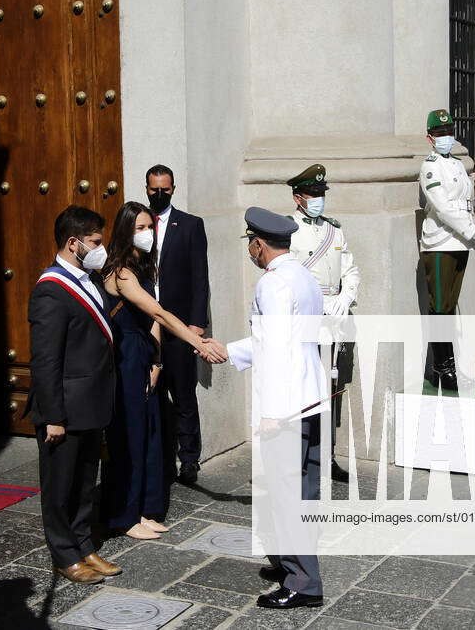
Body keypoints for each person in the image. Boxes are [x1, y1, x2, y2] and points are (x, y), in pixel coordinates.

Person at [101, 202, 227, 540]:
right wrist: (198, 343)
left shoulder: (143, 266)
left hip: (144, 355)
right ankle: (123, 516)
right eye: (138, 228)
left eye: (148, 227)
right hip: (126, 358)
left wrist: (156, 362)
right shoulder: (121, 272)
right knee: (129, 437)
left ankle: (145, 509)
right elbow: (157, 314)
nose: (145, 234)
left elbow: (153, 324)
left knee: (152, 435)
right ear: (125, 232)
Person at [224, 207, 326, 610]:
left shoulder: (272, 285)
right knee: (305, 491)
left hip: (286, 405)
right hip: (311, 395)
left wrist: (272, 412)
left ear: (257, 243)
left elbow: (279, 349)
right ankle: (291, 562)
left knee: (287, 495)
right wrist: (228, 351)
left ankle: (303, 582)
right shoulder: (303, 276)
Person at [28, 205, 120, 585]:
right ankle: (64, 554)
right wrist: (53, 416)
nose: (101, 248)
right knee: (60, 486)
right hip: (64, 409)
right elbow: (45, 359)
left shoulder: (88, 280)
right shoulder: (51, 290)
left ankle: (84, 544)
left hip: (92, 403)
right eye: (96, 242)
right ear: (73, 242)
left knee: (85, 483)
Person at [286, 163, 358, 483]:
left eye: (321, 193)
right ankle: (297, 458)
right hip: (307, 320)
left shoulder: (335, 230)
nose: (318, 199)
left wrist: (346, 296)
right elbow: (289, 277)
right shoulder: (287, 231)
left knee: (331, 392)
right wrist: (322, 302)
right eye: (312, 193)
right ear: (298, 197)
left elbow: (351, 269)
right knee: (303, 392)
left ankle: (325, 458)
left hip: (335, 323)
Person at [418, 109, 475, 389]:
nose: (446, 138)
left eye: (449, 132)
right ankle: (443, 369)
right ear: (430, 137)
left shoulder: (457, 166)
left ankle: (449, 367)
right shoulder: (430, 167)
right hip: (440, 242)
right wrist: (473, 231)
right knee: (440, 306)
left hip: (460, 241)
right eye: (440, 134)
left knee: (449, 307)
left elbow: (463, 201)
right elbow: (442, 208)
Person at [145, 164, 210, 485]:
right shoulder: (139, 223)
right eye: (153, 190)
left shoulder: (190, 225)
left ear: (173, 189)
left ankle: (189, 460)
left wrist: (198, 324)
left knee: (184, 394)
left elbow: (201, 278)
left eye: (164, 190)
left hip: (180, 326)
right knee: (151, 393)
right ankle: (160, 458)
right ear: (146, 189)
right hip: (146, 323)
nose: (158, 195)